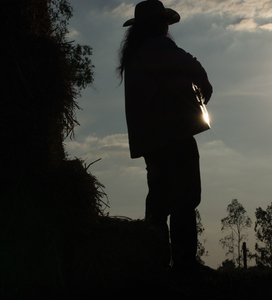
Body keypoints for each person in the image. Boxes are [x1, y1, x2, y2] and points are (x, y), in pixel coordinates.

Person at [118, 0, 213, 273]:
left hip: (151, 142)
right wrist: (204, 82)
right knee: (185, 198)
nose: (165, 27)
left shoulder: (134, 57)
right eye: (162, 22)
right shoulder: (159, 47)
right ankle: (184, 263)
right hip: (175, 135)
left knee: (158, 201)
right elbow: (190, 64)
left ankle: (155, 263)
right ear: (157, 25)